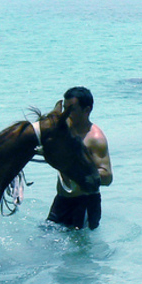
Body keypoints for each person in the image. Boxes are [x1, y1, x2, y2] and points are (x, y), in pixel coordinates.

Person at [46, 86, 113, 230]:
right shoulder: (65, 131)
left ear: (87, 110)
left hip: (85, 204)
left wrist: (79, 173)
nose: (66, 114)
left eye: (72, 109)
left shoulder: (95, 138)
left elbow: (107, 177)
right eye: (65, 108)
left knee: (81, 251)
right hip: (61, 199)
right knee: (43, 238)